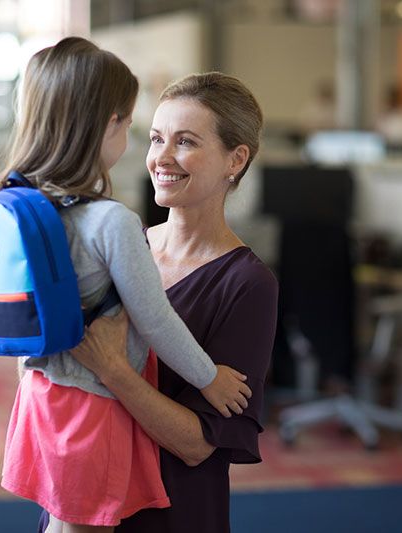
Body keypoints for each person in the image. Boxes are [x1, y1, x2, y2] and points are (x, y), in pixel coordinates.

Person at [0, 38, 253, 533]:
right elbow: (157, 319)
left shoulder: (27, 206)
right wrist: (208, 377)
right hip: (93, 409)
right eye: (142, 130)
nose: (145, 148)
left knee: (60, 523)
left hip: (39, 394)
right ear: (108, 126)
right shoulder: (112, 222)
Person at [49, 72, 279, 532]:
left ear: (235, 159)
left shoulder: (247, 284)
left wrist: (112, 369)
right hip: (82, 493)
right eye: (157, 139)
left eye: (186, 142)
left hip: (168, 510)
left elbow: (198, 445)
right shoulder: (120, 244)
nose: (162, 158)